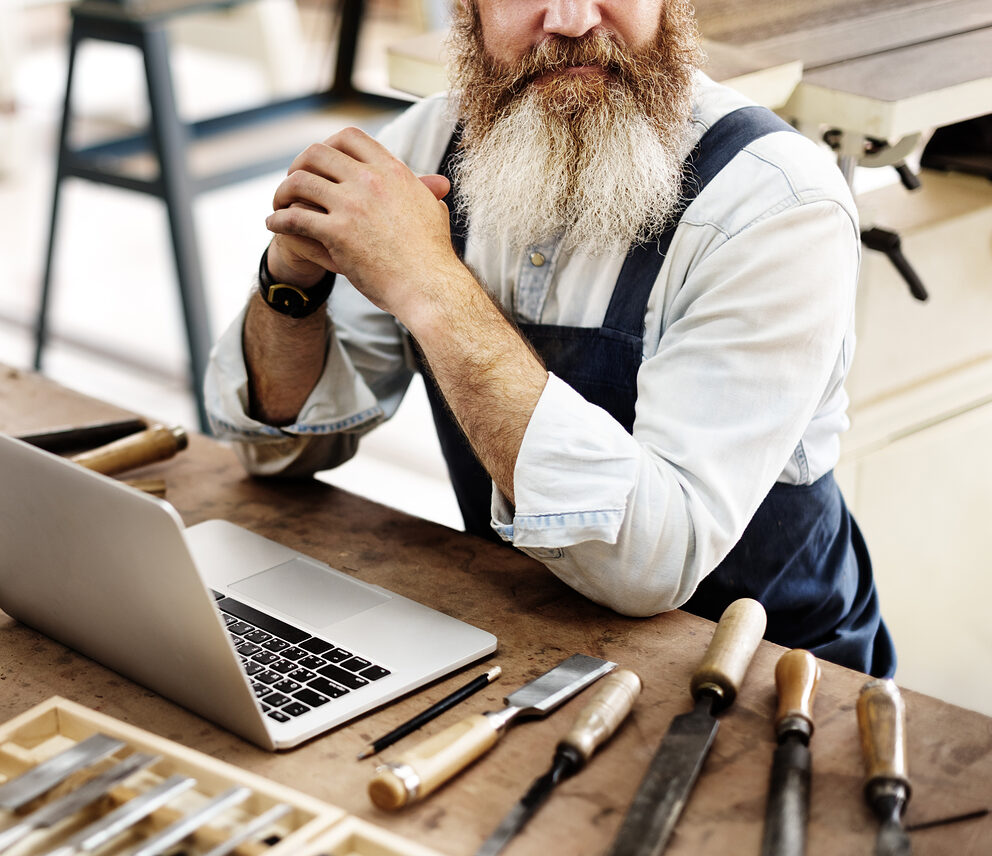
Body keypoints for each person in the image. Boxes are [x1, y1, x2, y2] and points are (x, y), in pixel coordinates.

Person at [203, 0, 895, 676]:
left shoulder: (775, 205)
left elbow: (651, 562)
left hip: (776, 683)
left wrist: (430, 283)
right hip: (529, 646)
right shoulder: (424, 150)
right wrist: (291, 283)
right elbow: (279, 452)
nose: (570, 19)